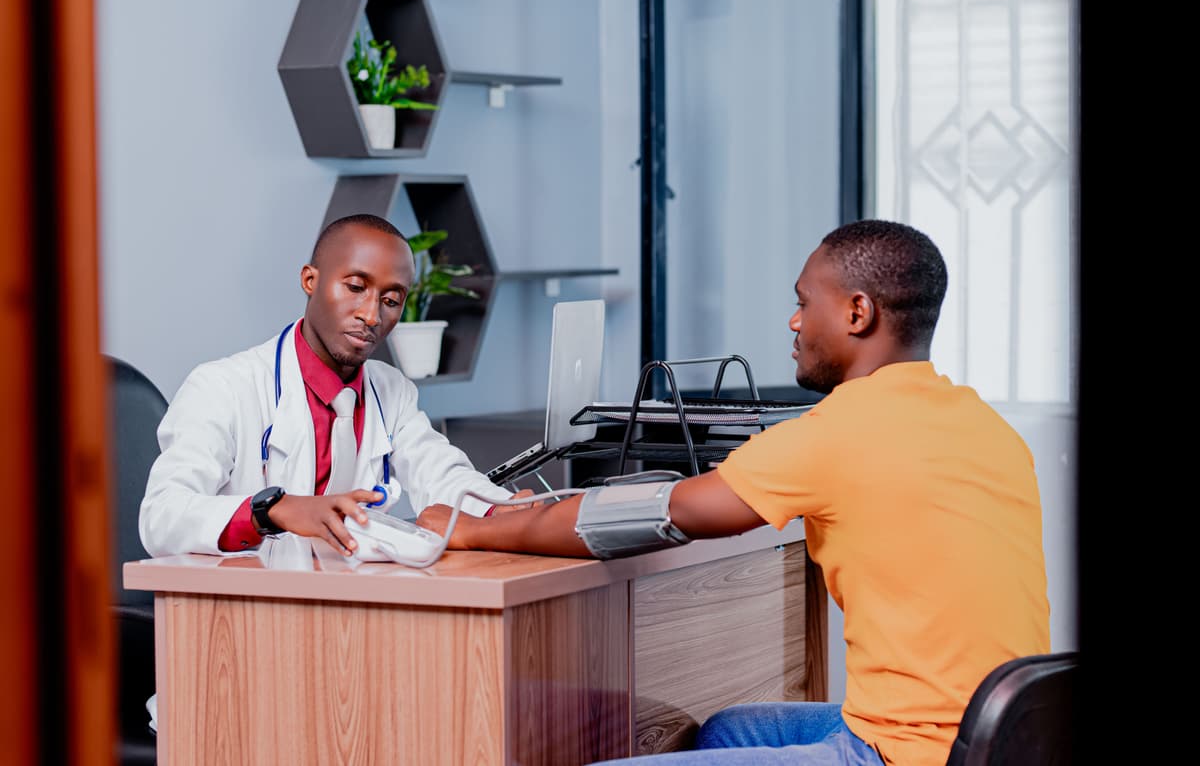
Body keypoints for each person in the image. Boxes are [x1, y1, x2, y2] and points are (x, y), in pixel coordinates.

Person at [415, 219, 1051, 766]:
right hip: (1006, 738)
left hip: (903, 755)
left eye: (806, 302)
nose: (794, 321)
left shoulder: (838, 432)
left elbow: (672, 513)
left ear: (858, 313)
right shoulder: (985, 425)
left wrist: (476, 527)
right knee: (728, 731)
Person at [139, 212, 528, 561]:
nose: (371, 315)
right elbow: (162, 517)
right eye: (355, 287)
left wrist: (499, 509)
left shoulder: (391, 390)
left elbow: (440, 473)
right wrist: (272, 510)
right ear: (311, 280)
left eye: (391, 300)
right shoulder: (222, 387)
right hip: (238, 617)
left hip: (344, 606)